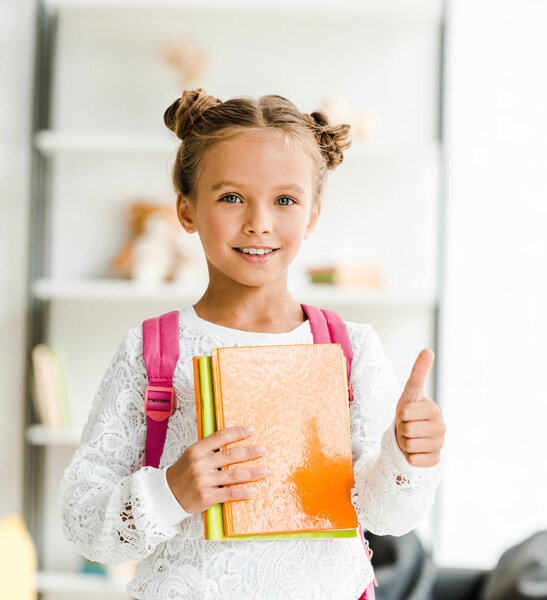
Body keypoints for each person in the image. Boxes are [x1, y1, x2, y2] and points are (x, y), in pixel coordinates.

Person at [57, 88, 447, 600]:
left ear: (312, 214)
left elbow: (387, 516)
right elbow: (83, 522)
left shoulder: (351, 350)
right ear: (186, 208)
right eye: (231, 197)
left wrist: (407, 456)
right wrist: (171, 491)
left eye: (285, 200)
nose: (259, 222)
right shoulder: (151, 352)